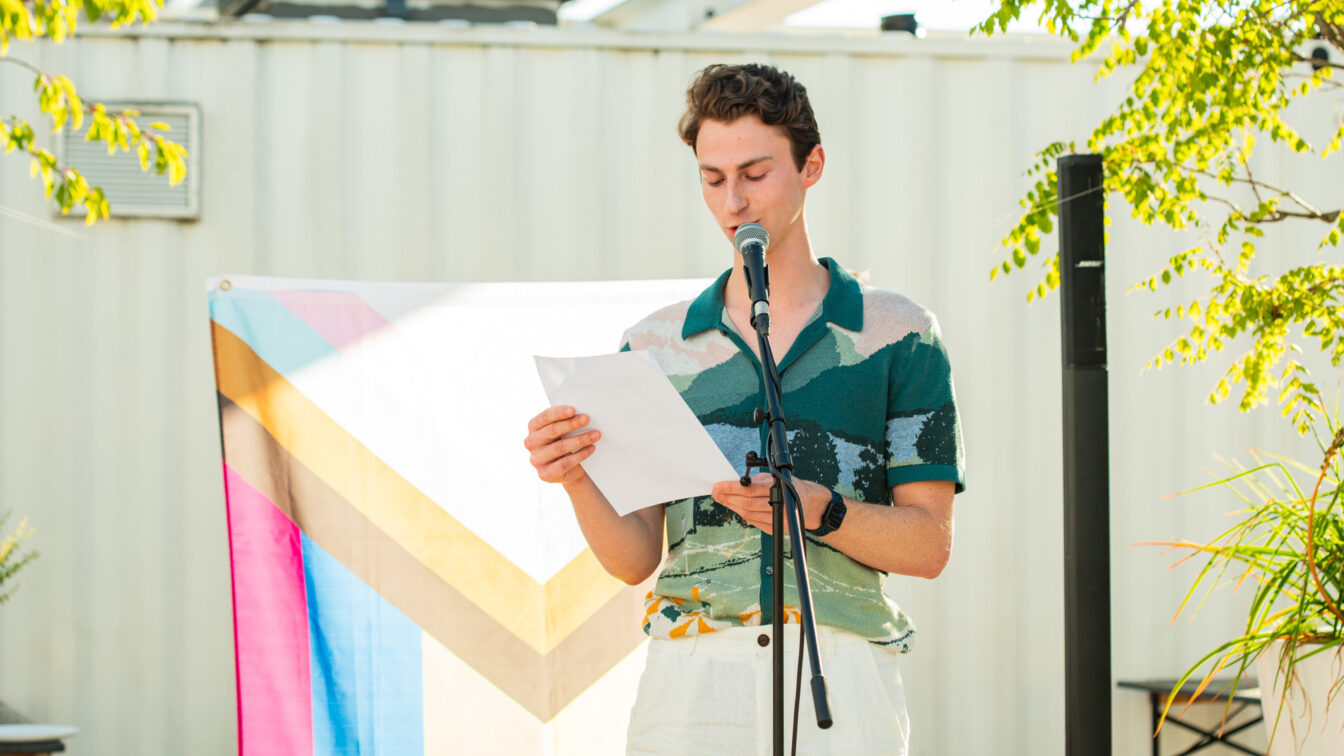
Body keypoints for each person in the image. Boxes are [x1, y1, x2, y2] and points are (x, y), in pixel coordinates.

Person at [524, 63, 965, 755]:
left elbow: (929, 544)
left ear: (811, 165)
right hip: (693, 678)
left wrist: (822, 511)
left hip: (842, 670)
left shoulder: (898, 334)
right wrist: (576, 478)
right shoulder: (654, 345)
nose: (734, 201)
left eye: (755, 174)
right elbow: (635, 556)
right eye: (713, 177)